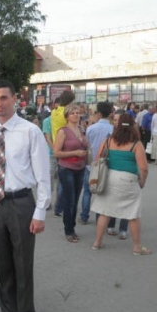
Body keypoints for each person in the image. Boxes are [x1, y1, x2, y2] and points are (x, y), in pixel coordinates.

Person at [0, 80, 50, 312]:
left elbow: (43, 175)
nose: (0, 104)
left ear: (15, 98)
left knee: (22, 262)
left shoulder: (30, 131)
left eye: (4, 98)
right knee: (2, 262)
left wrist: (40, 212)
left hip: (21, 203)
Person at [91, 114, 151, 255]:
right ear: (133, 126)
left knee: (105, 212)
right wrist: (142, 181)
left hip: (109, 177)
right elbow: (143, 168)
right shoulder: (136, 144)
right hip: (128, 179)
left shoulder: (108, 141)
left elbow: (97, 159)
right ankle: (137, 247)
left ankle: (97, 242)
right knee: (132, 214)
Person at [53, 103, 88, 243]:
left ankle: (71, 227)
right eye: (73, 113)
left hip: (80, 167)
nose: (76, 115)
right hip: (66, 168)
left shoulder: (81, 129)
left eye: (77, 113)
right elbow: (56, 152)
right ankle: (69, 230)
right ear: (67, 116)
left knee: (76, 199)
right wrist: (75, 152)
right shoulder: (63, 131)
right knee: (70, 200)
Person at [80, 101, 114, 225]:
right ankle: (100, 217)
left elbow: (86, 144)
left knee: (87, 191)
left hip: (91, 163)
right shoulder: (113, 129)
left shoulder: (90, 128)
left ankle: (84, 216)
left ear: (98, 113)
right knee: (102, 192)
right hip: (106, 164)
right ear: (109, 113)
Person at [51, 91, 75, 216]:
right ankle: (61, 206)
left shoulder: (54, 112)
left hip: (57, 146)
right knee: (66, 181)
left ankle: (59, 207)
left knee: (62, 180)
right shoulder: (66, 113)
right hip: (67, 148)